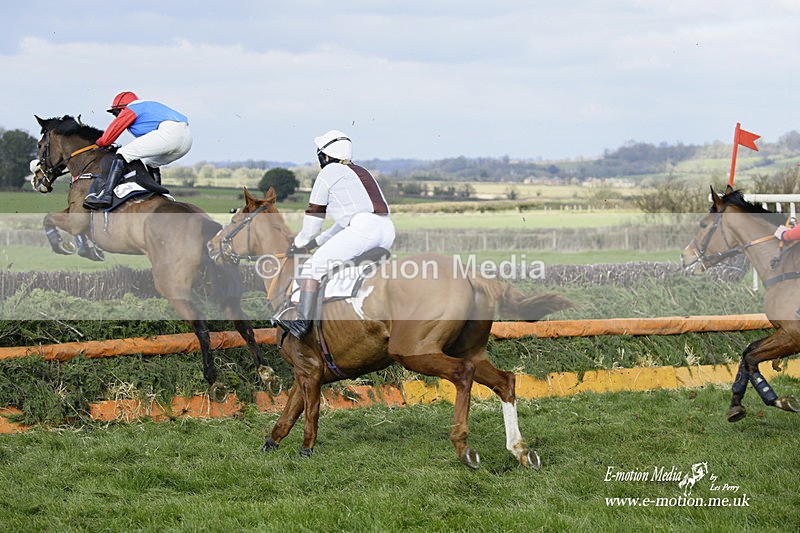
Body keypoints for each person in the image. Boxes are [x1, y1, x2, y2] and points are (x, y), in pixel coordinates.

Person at [274, 130, 396, 338]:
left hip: (363, 229)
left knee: (312, 267)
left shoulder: (328, 172)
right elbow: (341, 226)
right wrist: (313, 244)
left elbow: (315, 215)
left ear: (326, 156)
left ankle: (302, 323)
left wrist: (300, 242)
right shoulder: (362, 171)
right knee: (342, 269)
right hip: (386, 230)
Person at [83, 91, 192, 209]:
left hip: (170, 133)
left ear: (122, 108)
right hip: (187, 139)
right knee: (150, 162)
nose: (116, 117)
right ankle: (159, 196)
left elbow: (111, 133)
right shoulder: (146, 108)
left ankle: (106, 196)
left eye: (116, 113)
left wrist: (100, 142)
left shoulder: (131, 108)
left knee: (122, 153)